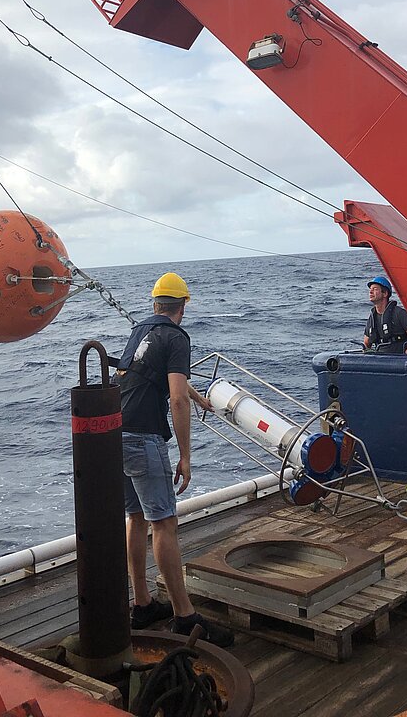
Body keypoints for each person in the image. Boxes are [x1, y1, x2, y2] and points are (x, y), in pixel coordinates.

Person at [114, 271, 234, 647]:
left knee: (135, 518)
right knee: (164, 522)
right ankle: (185, 617)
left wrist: (200, 399)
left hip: (115, 433)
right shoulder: (178, 336)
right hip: (144, 438)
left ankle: (143, 604)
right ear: (184, 306)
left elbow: (164, 380)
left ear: (155, 305)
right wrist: (186, 455)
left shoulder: (141, 331)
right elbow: (175, 398)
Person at [363, 276, 407, 355]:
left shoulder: (399, 313)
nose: (371, 292)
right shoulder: (372, 317)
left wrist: (405, 355)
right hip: (379, 359)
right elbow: (366, 342)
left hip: (398, 358)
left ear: (385, 293)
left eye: (375, 289)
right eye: (370, 289)